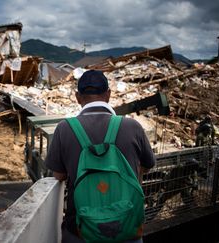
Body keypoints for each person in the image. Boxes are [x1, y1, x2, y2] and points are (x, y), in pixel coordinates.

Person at [45, 70, 156, 242]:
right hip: (126, 227)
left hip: (81, 230)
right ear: (109, 95)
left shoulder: (64, 128)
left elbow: (59, 175)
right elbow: (147, 165)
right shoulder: (132, 126)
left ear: (77, 97)